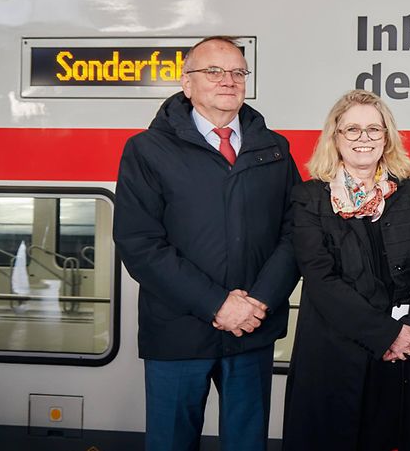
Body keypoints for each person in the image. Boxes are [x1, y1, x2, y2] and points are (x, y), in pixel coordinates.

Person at [113, 35, 301, 451]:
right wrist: (217, 304)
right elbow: (139, 242)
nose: (227, 80)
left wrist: (259, 303)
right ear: (187, 83)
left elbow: (295, 232)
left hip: (252, 330)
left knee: (248, 444)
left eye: (237, 72)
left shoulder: (274, 149)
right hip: (178, 333)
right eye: (213, 71)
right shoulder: (147, 150)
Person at [282, 89, 410, 451]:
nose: (364, 138)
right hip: (336, 350)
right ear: (336, 136)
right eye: (352, 129)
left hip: (405, 347)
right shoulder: (309, 198)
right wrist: (386, 334)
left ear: (386, 137)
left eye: (374, 129)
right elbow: (320, 279)